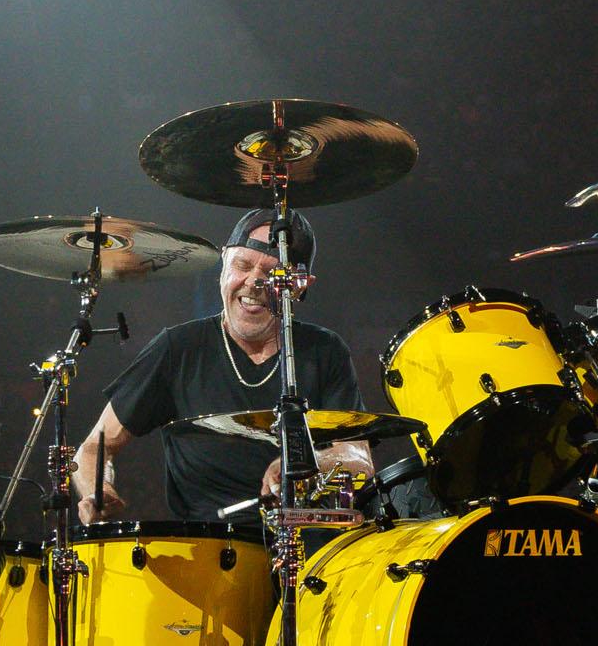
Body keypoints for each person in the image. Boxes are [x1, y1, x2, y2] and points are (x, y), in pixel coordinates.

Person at [70, 210, 373, 526]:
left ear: (300, 286)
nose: (253, 282)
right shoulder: (178, 349)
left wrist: (309, 463)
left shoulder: (324, 351)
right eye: (242, 265)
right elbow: (94, 447)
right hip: (209, 546)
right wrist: (97, 490)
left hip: (309, 542)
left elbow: (358, 459)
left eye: (271, 272)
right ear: (223, 266)